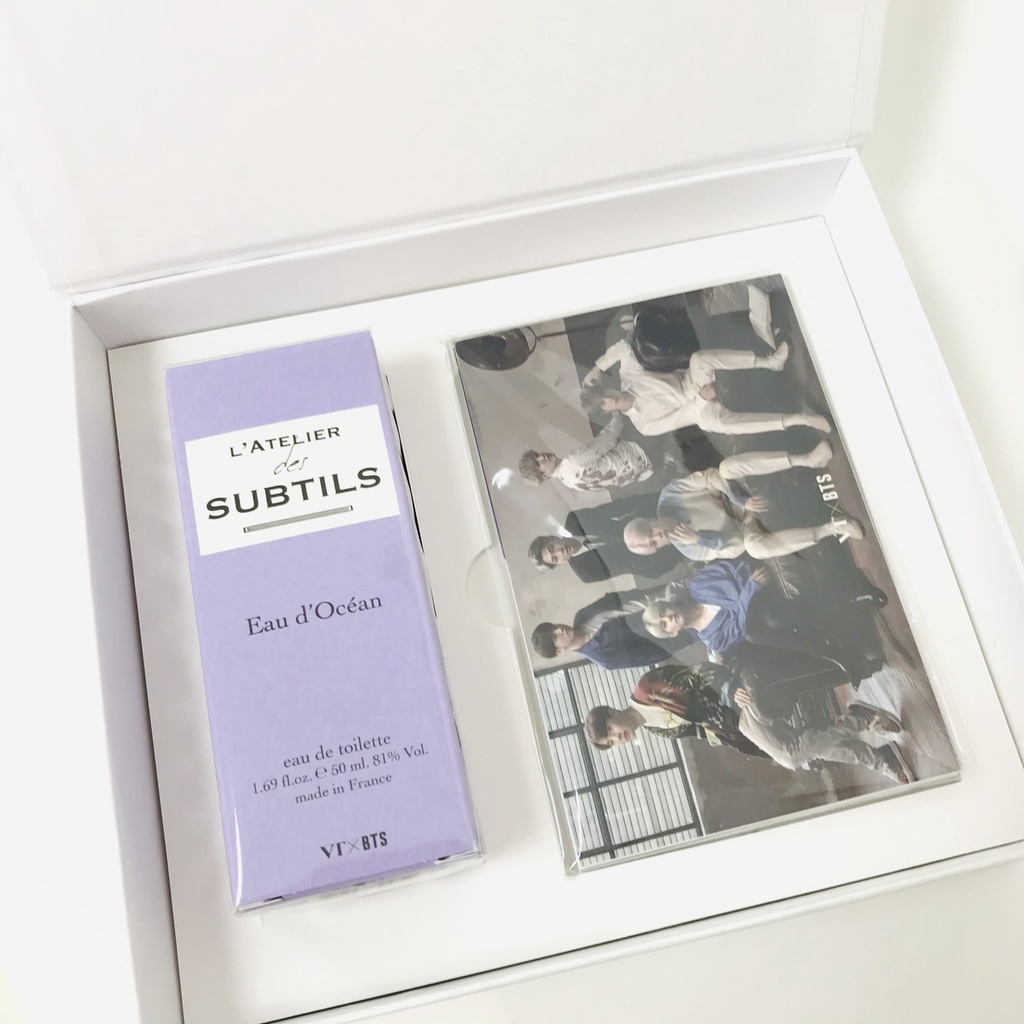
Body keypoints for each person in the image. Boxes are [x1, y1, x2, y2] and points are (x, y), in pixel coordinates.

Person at [585, 661, 913, 783]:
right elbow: (705, 732)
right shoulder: (655, 730)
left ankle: (858, 718)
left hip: (736, 704)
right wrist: (749, 747)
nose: (618, 738)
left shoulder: (646, 688)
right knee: (804, 750)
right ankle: (879, 758)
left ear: (611, 712)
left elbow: (697, 672)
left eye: (611, 731)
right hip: (735, 728)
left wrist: (729, 687)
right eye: (612, 743)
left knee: (791, 755)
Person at [622, 445, 865, 563]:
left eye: (651, 532)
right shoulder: (691, 549)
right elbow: (736, 545)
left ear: (650, 521)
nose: (659, 536)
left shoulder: (669, 497)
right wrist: (699, 538)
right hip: (745, 524)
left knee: (726, 468)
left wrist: (738, 497)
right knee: (756, 549)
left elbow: (710, 476)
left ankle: (807, 459)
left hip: (735, 493)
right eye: (654, 543)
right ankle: (833, 527)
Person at [641, 562, 879, 678]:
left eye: (663, 611)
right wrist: (745, 594)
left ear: (669, 603)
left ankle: (834, 650)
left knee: (761, 626)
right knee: (766, 624)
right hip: (759, 605)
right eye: (665, 624)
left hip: (761, 584)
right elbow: (740, 626)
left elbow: (735, 570)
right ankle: (851, 596)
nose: (668, 617)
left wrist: (745, 597)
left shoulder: (698, 584)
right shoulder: (713, 640)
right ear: (673, 633)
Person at [579, 338, 831, 437]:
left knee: (699, 359)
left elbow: (624, 347)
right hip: (696, 410)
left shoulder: (628, 375)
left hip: (690, 382)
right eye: (603, 404)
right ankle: (800, 419)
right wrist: (700, 399)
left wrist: (597, 368)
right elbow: (684, 416)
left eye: (604, 394)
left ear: (607, 389)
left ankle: (770, 363)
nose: (609, 398)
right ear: (607, 410)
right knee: (720, 424)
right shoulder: (644, 425)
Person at [531, 591, 676, 671]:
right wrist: (679, 635)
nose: (559, 629)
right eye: (555, 636)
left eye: (554, 627)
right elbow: (653, 654)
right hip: (674, 627)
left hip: (664, 595)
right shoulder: (603, 657)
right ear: (559, 651)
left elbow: (619, 597)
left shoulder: (581, 615)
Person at [518, 412, 654, 491]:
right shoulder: (573, 461)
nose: (542, 456)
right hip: (640, 450)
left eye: (537, 455)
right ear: (544, 475)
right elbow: (608, 439)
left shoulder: (569, 482)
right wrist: (617, 414)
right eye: (538, 463)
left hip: (643, 470)